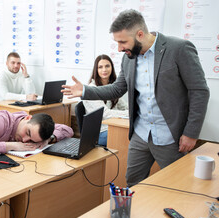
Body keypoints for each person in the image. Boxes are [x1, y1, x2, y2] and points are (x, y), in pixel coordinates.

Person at [62, 9, 209, 187]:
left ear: (140, 34)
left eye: (123, 42)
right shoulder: (128, 58)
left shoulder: (179, 49)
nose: (119, 48)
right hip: (140, 134)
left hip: (171, 136)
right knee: (133, 182)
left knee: (176, 187)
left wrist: (191, 133)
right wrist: (85, 90)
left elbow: (199, 91)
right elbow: (117, 89)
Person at [0, 111, 73, 157]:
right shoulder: (1, 121)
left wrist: (48, 139)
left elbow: (68, 130)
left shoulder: (36, 126)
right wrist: (12, 146)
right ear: (28, 117)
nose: (25, 140)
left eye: (32, 140)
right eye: (27, 132)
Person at [82, 54, 128, 146]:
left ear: (112, 67)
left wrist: (132, 113)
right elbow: (105, 114)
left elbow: (124, 106)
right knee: (129, 136)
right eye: (100, 67)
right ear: (96, 70)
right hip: (99, 132)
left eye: (107, 66)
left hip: (112, 126)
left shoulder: (112, 87)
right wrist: (129, 114)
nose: (104, 70)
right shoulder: (91, 89)